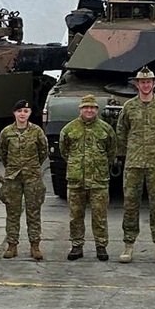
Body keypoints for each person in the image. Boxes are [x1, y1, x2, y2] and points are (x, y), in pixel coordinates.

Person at [116, 66, 155, 264]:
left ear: (154, 84)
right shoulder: (129, 107)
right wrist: (131, 150)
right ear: (137, 84)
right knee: (130, 204)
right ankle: (128, 245)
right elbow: (121, 132)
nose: (145, 85)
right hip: (133, 163)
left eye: (148, 82)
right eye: (142, 82)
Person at [60, 94, 115, 261]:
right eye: (86, 107)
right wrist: (77, 165)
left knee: (100, 216)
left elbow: (111, 152)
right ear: (80, 109)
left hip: (99, 180)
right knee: (75, 216)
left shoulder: (106, 129)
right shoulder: (69, 129)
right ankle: (77, 246)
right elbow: (64, 151)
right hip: (76, 179)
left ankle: (101, 246)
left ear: (97, 110)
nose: (89, 110)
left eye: (92, 107)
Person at [0, 99, 49, 260]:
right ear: (14, 113)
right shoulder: (7, 132)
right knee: (12, 212)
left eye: (25, 111)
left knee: (34, 212)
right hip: (13, 178)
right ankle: (12, 245)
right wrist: (12, 168)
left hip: (32, 177)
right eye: (19, 111)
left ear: (30, 113)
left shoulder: (37, 131)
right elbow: (2, 152)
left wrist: (32, 167)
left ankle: (35, 245)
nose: (22, 114)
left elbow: (43, 151)